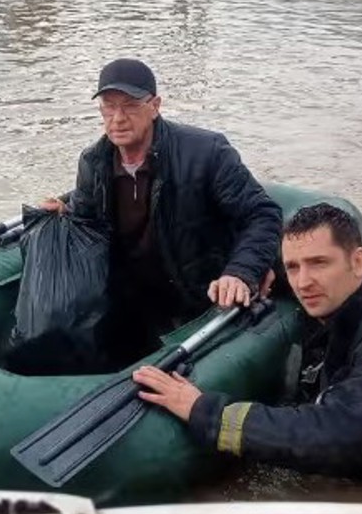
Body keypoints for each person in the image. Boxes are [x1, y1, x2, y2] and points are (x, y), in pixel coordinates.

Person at [132, 203, 362, 485]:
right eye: (292, 267)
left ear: (358, 261)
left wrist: (206, 412)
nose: (303, 282)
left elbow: (330, 435)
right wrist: (249, 271)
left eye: (319, 263)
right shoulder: (348, 298)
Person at [42, 58, 284, 367]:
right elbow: (88, 225)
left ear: (155, 105)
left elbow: (262, 214)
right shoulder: (93, 162)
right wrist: (66, 214)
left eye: (129, 105)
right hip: (134, 295)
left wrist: (241, 271)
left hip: (198, 294)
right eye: (108, 106)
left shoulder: (207, 152)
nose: (117, 118)